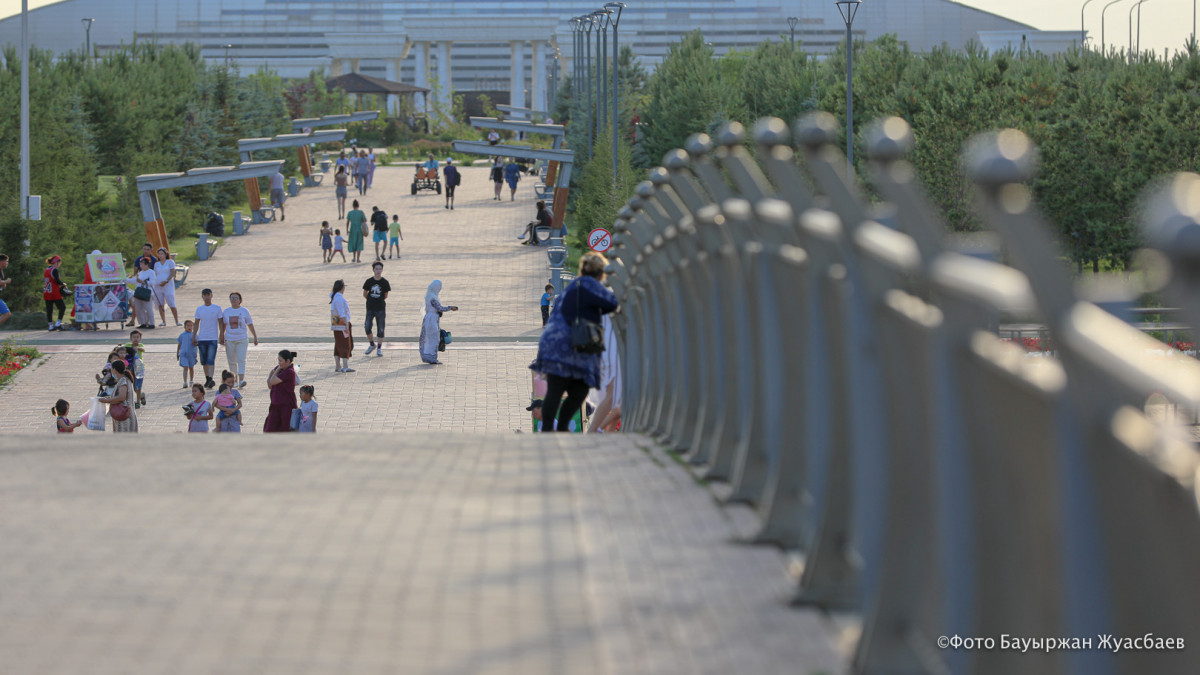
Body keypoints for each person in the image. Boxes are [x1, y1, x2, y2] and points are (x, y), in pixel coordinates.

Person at [530, 252, 619, 432]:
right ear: (601, 272)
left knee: (558, 387)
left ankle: (552, 428)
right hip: (573, 343)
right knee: (578, 391)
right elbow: (612, 303)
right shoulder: (589, 284)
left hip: (552, 342)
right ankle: (559, 426)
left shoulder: (574, 285)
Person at [220, 291, 257, 388]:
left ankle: (241, 380)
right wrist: (221, 336)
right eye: (232, 298)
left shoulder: (244, 311)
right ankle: (234, 381)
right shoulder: (226, 311)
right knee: (232, 361)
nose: (234, 300)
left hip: (242, 338)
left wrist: (255, 336)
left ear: (240, 300)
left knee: (241, 359)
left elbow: (249, 324)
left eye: (236, 298)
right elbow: (224, 325)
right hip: (230, 339)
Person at [419, 280, 458, 365]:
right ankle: (433, 358)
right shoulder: (433, 298)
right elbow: (439, 308)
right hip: (432, 320)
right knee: (434, 339)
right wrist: (450, 308)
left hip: (428, 319)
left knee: (428, 339)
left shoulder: (429, 296)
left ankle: (428, 357)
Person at [192, 288, 224, 389]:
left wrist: (221, 334)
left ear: (211, 295)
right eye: (205, 295)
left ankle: (210, 378)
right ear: (202, 296)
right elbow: (196, 323)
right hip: (202, 337)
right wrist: (194, 335)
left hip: (212, 337)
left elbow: (220, 322)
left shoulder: (217, 308)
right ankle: (207, 378)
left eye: (208, 295)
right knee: (204, 360)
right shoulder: (199, 309)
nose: (207, 297)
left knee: (211, 359)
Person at [264, 349, 299, 432]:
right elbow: (271, 374)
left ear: (288, 361)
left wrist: (277, 370)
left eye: (281, 361)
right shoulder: (280, 369)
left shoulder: (289, 372)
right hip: (275, 404)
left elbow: (272, 381)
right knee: (270, 428)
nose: (279, 363)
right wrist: (270, 378)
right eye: (278, 360)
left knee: (285, 429)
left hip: (286, 406)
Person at [100, 359, 137, 433]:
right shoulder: (122, 380)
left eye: (111, 369)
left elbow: (122, 397)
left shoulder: (123, 380)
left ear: (115, 370)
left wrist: (107, 401)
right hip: (123, 414)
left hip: (125, 416)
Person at [363, 262, 391, 357]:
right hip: (370, 307)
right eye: (376, 269)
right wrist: (370, 300)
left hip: (380, 308)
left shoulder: (384, 282)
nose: (378, 271)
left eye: (380, 269)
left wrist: (379, 300)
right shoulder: (369, 281)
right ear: (373, 270)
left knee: (381, 328)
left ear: (382, 270)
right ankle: (372, 344)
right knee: (367, 326)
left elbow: (386, 295)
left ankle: (379, 348)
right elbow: (365, 293)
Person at [330, 279, 355, 372]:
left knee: (338, 344)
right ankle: (345, 366)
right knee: (346, 344)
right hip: (342, 324)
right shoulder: (339, 298)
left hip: (336, 324)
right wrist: (346, 326)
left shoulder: (334, 297)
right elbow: (342, 313)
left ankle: (338, 366)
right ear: (342, 288)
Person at [152, 247, 180, 327]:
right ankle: (163, 321)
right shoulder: (156, 264)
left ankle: (176, 321)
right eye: (159, 254)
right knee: (160, 303)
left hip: (168, 285)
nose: (160, 255)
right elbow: (155, 274)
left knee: (171, 302)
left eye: (162, 254)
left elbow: (172, 273)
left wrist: (166, 281)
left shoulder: (170, 262)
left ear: (165, 254)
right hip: (158, 285)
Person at [128, 257, 156, 329]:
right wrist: (125, 278)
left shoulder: (151, 272)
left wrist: (143, 282)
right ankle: (142, 322)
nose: (141, 266)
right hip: (139, 292)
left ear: (147, 264)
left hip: (147, 292)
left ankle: (151, 323)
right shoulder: (140, 273)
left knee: (148, 308)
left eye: (143, 264)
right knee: (139, 309)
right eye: (140, 264)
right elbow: (132, 281)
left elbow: (153, 282)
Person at [43, 255, 68, 331]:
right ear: (56, 262)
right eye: (59, 262)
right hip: (54, 292)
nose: (59, 264)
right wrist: (63, 284)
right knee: (62, 307)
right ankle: (58, 324)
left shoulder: (46, 269)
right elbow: (56, 280)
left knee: (49, 310)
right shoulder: (54, 270)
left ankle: (50, 326)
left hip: (47, 292)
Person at [125, 329, 147, 407]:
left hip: (139, 368)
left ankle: (138, 402)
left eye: (137, 337)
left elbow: (143, 349)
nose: (135, 339)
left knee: (138, 386)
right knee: (134, 387)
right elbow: (123, 349)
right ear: (131, 338)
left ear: (140, 338)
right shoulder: (128, 345)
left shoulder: (140, 346)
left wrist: (137, 349)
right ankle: (141, 396)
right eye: (134, 337)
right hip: (131, 367)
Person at [177, 319, 197, 388]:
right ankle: (185, 381)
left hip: (191, 354)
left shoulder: (194, 335)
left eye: (191, 326)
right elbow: (179, 344)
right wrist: (178, 353)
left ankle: (191, 380)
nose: (190, 327)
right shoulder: (182, 335)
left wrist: (196, 343)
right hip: (184, 354)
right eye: (188, 325)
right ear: (185, 327)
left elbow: (197, 343)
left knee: (191, 367)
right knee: (185, 367)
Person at [0, 253, 12, 329]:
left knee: (7, 313)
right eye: (6, 261)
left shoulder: (1, 270)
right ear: (1, 261)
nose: (7, 263)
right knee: (7, 313)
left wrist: (3, 284)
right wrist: (6, 281)